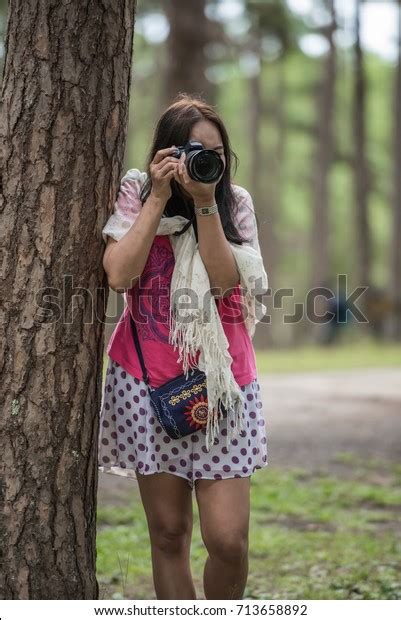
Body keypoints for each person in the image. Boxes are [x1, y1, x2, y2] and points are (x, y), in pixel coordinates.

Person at [98, 94, 269, 600]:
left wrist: (203, 200)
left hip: (223, 386)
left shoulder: (233, 201)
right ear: (166, 152)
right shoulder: (137, 190)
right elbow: (118, 274)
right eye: (193, 150)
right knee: (169, 533)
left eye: (214, 152)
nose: (203, 161)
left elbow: (222, 284)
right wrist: (156, 195)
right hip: (146, 382)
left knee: (228, 540)